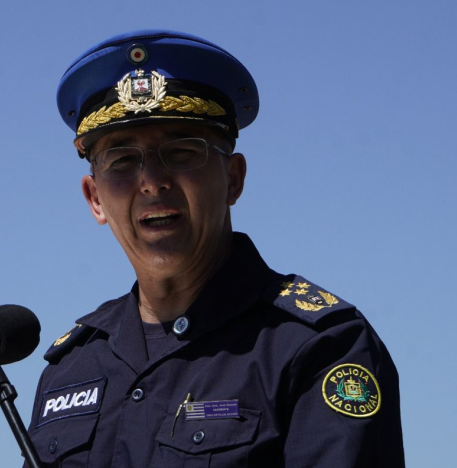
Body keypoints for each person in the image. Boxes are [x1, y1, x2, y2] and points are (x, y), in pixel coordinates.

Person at [26, 30, 405, 467]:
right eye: (123, 161)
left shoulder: (319, 347)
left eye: (182, 151)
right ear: (95, 199)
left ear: (233, 179)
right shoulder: (70, 368)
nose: (152, 181)